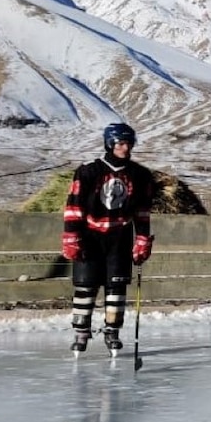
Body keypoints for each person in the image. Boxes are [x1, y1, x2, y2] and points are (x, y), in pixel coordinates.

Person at [62, 122, 156, 355]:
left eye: (128, 143)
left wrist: (142, 239)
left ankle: (112, 331)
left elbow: (142, 212)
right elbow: (74, 206)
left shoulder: (140, 175)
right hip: (89, 235)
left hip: (120, 235)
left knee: (116, 286)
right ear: (110, 143)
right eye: (121, 143)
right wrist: (71, 236)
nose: (125, 147)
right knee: (86, 284)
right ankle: (81, 331)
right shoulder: (88, 171)